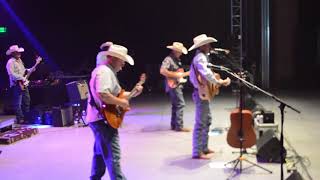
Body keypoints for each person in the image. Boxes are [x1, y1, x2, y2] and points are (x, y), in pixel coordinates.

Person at [86, 44, 143, 180]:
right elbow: (103, 94)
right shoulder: (105, 72)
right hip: (102, 120)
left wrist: (133, 93)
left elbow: (115, 95)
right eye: (121, 60)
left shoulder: (105, 71)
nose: (123, 64)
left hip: (98, 118)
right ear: (111, 58)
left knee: (100, 153)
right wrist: (121, 102)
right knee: (113, 155)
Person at [188, 34, 231, 159]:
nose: (210, 46)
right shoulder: (200, 58)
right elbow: (205, 73)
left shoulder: (201, 57)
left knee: (206, 120)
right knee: (201, 122)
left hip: (201, 92)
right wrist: (218, 82)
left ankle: (204, 148)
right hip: (200, 93)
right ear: (203, 46)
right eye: (207, 44)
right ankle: (197, 151)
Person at [160, 42, 191, 132]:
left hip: (175, 84)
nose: (181, 53)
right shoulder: (168, 59)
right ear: (174, 51)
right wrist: (176, 75)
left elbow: (179, 73)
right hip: (173, 85)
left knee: (175, 105)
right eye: (179, 51)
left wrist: (181, 75)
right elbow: (162, 71)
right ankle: (179, 126)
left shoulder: (177, 60)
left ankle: (174, 125)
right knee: (181, 104)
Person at [5, 45, 37, 124]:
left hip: (23, 84)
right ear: (13, 53)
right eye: (17, 52)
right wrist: (21, 78)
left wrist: (30, 69)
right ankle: (20, 118)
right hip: (16, 85)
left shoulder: (20, 60)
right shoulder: (10, 62)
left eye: (19, 52)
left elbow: (23, 71)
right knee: (18, 103)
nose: (19, 53)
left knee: (26, 100)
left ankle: (26, 117)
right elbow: (12, 74)